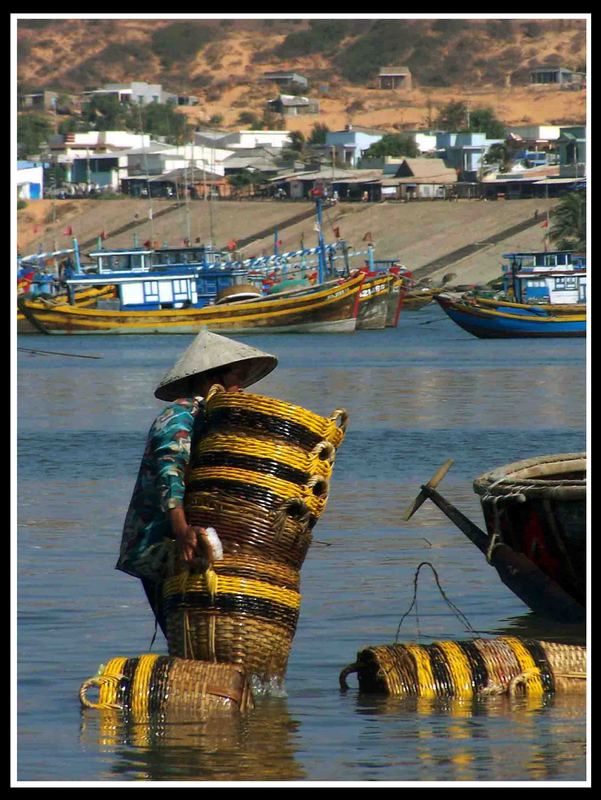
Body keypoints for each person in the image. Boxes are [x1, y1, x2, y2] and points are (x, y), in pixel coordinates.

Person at [116, 328, 278, 636]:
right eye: (236, 379)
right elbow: (170, 473)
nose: (240, 388)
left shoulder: (211, 421)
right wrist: (182, 529)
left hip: (191, 541)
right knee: (189, 638)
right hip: (161, 543)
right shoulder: (180, 415)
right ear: (212, 379)